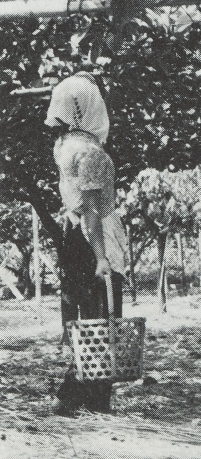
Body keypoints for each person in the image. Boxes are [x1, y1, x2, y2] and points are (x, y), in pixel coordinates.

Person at [45, 72, 126, 415]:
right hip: (94, 237)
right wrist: (102, 258)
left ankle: (87, 400)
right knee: (103, 322)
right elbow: (93, 210)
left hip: (72, 236)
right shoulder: (91, 152)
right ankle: (77, 397)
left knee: (90, 321)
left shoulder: (64, 144)